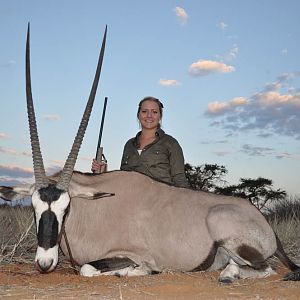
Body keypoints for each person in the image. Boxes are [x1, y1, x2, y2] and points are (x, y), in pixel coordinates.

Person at [91, 96, 189, 188]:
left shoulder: (171, 143)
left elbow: (180, 180)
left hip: (161, 203)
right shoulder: (129, 145)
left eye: (154, 112)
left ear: (160, 116)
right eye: (144, 111)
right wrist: (103, 172)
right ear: (138, 115)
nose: (149, 116)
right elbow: (123, 179)